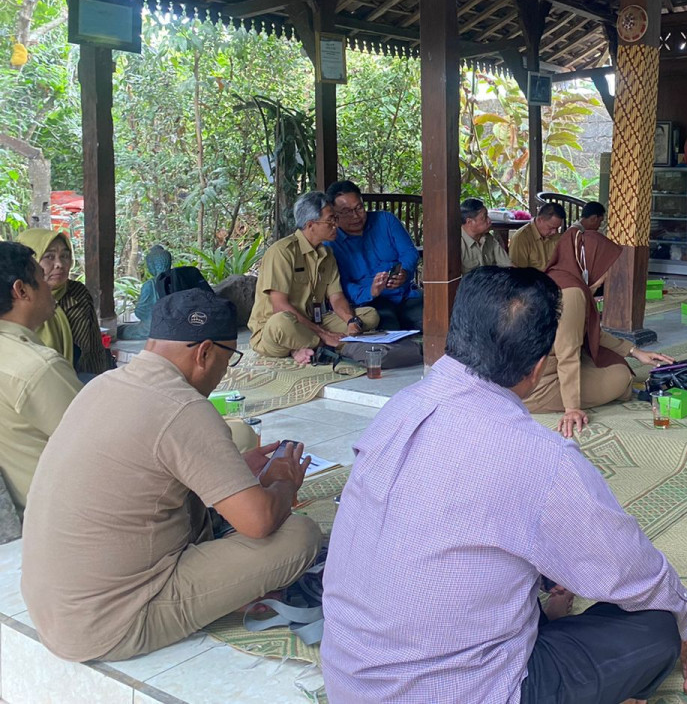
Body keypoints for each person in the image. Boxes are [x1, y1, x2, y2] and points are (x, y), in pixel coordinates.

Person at [321, 267, 687, 703]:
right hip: (466, 691)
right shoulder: (539, 455)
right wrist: (684, 619)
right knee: (655, 626)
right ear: (538, 367)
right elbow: (630, 568)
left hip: (349, 680)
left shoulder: (398, 409)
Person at [21, 288, 322, 662]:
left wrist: (234, 473)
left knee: (230, 463)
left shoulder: (103, 384)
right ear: (205, 353)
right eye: (229, 359)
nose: (224, 372)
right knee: (299, 535)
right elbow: (258, 522)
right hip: (115, 622)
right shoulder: (183, 406)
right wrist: (283, 482)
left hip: (53, 610)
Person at [525, 227, 673, 439]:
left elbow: (590, 333)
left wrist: (634, 351)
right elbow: (568, 354)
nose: (606, 275)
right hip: (538, 387)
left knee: (607, 359)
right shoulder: (571, 293)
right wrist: (572, 408)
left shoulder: (555, 278)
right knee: (621, 377)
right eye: (605, 266)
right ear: (588, 264)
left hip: (527, 376)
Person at [249, 192, 379, 363]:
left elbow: (337, 297)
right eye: (331, 220)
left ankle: (305, 346)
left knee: (370, 315)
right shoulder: (282, 252)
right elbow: (280, 307)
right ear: (310, 225)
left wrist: (351, 321)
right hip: (275, 328)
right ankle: (325, 344)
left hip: (311, 323)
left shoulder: (327, 254)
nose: (336, 225)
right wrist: (324, 335)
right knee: (281, 323)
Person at [0, 241, 81, 515]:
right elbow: (99, 441)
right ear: (21, 290)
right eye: (42, 278)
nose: (49, 285)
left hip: (19, 509)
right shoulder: (37, 368)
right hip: (62, 515)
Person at [326, 180, 423, 331]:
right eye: (346, 211)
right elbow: (341, 285)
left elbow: (409, 252)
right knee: (388, 330)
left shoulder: (385, 220)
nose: (355, 216)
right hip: (368, 303)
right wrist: (370, 291)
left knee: (437, 321)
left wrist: (404, 271)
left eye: (359, 208)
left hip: (405, 295)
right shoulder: (331, 243)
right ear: (334, 214)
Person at [17, 228, 113, 375]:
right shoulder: (15, 299)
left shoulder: (77, 293)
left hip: (81, 378)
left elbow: (94, 348)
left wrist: (98, 379)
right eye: (49, 257)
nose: (59, 264)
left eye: (65, 256)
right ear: (29, 262)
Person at [118, 244, 173, 340]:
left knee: (121, 330)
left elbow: (140, 312)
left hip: (150, 328)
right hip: (173, 328)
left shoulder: (150, 284)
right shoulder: (178, 281)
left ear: (152, 266)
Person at [508, 201, 566, 271]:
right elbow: (518, 273)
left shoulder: (557, 236)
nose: (554, 232)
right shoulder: (520, 238)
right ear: (539, 220)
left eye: (557, 228)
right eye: (551, 228)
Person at [461, 198, 511, 272]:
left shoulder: (488, 238)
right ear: (470, 222)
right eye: (485, 217)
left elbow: (508, 266)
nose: (489, 221)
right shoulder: (457, 244)